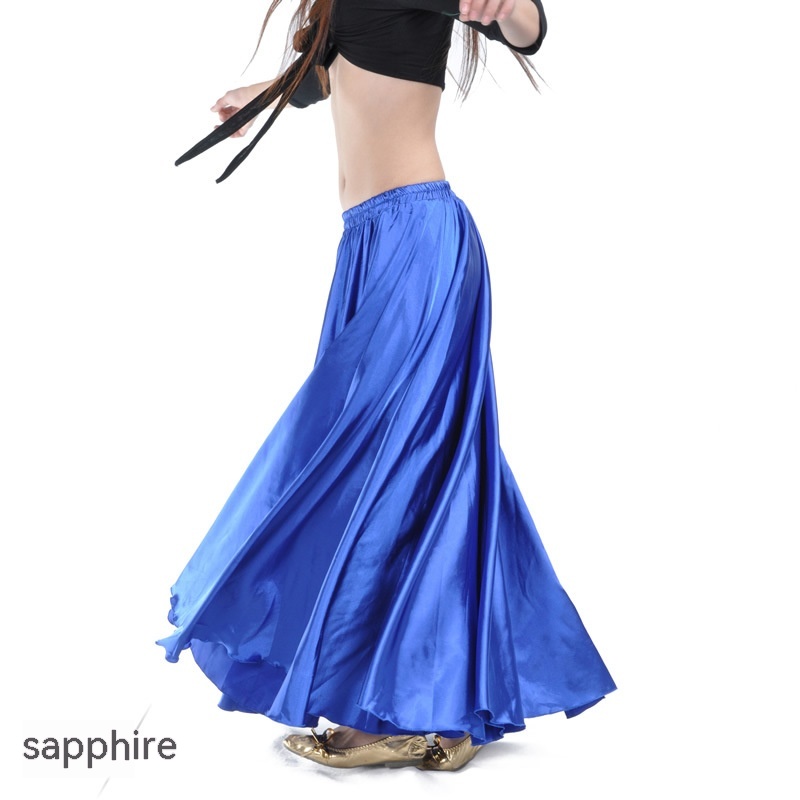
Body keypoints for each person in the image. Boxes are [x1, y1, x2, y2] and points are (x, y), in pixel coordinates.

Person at [157, 0, 616, 772]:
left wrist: (512, 8)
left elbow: (524, 26)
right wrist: (267, 93)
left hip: (418, 244)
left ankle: (393, 711)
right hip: (370, 246)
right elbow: (334, 72)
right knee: (430, 470)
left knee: (380, 465)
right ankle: (444, 705)